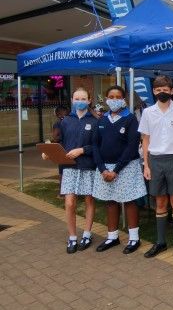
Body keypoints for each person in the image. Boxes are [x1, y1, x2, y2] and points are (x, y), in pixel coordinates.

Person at [138, 76, 173, 259]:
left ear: (172, 91)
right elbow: (145, 139)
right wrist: (146, 165)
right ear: (153, 91)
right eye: (158, 90)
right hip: (155, 160)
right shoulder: (147, 112)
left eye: (165, 89)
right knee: (160, 203)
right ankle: (160, 242)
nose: (162, 92)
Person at [92, 85, 146, 254]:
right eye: (111, 97)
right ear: (106, 99)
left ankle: (134, 238)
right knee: (110, 201)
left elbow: (131, 147)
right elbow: (95, 145)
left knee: (129, 201)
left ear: (123, 100)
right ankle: (112, 236)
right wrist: (102, 169)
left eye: (118, 97)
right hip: (105, 168)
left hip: (126, 166)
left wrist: (116, 170)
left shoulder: (130, 119)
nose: (114, 100)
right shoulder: (102, 120)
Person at [44, 88, 97, 253]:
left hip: (88, 166)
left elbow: (98, 146)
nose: (80, 101)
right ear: (72, 101)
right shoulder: (65, 121)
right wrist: (49, 151)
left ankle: (87, 234)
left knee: (89, 200)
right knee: (69, 202)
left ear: (89, 100)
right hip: (69, 167)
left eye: (83, 98)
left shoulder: (95, 121)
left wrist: (82, 150)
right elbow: (59, 142)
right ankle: (72, 237)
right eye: (77, 98)